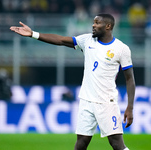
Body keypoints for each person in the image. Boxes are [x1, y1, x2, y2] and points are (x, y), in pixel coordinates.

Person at [10, 13, 135, 150]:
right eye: (93, 22)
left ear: (108, 26)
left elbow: (130, 79)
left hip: (106, 102)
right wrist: (33, 34)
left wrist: (130, 107)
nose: (93, 25)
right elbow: (61, 40)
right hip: (86, 101)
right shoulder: (87, 40)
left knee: (116, 144)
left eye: (97, 23)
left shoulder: (121, 49)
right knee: (81, 143)